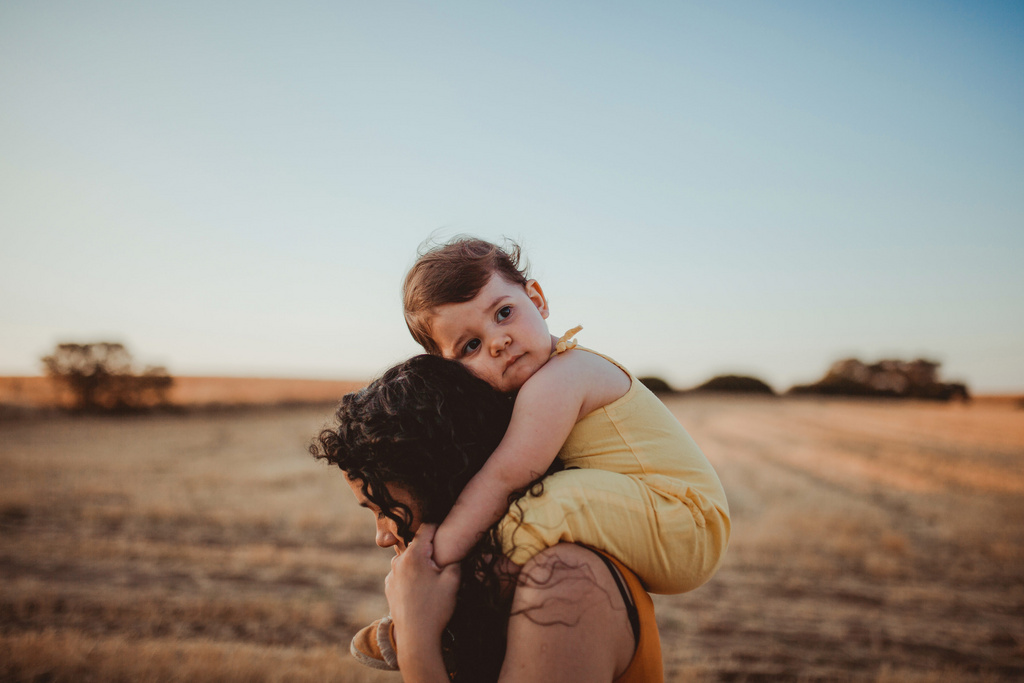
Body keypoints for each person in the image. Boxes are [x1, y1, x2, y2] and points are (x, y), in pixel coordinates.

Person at [402, 236, 731, 594]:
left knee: (548, 500)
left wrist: (438, 555)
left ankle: (445, 597)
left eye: (503, 313)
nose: (498, 342)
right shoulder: (541, 380)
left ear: (538, 300)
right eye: (471, 346)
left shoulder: (562, 377)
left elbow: (503, 479)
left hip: (686, 524)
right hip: (658, 517)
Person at [312, 354, 663, 681]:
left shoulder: (564, 583)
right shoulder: (495, 584)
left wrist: (415, 635)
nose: (383, 537)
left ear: (445, 487)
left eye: (387, 510)